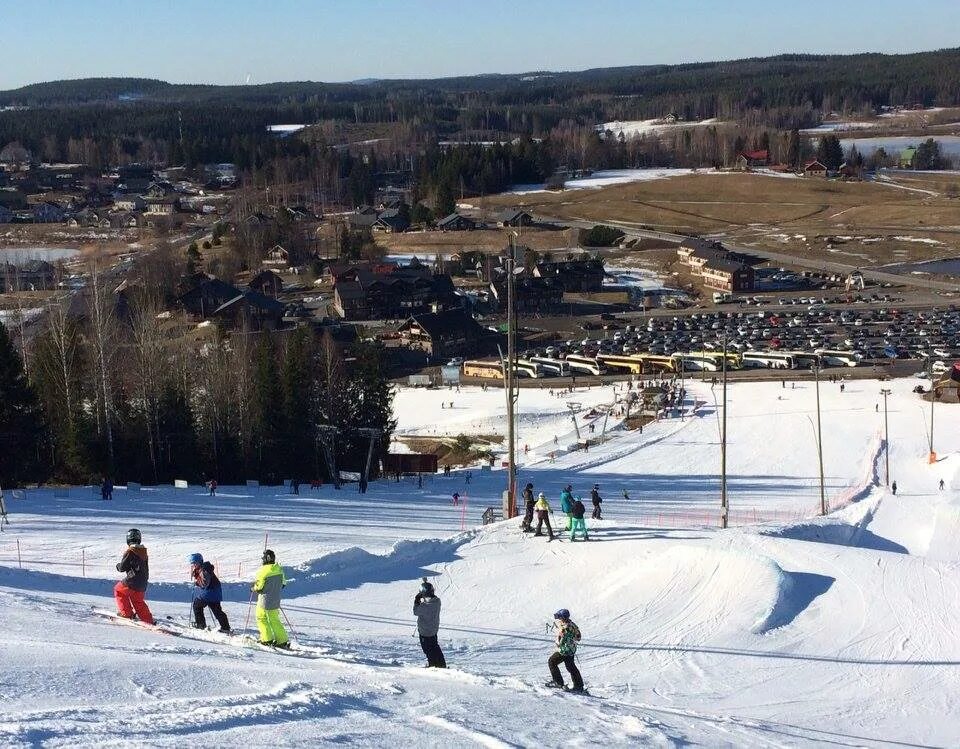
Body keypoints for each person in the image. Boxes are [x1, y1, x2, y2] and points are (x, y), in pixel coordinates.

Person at [114, 528, 153, 624]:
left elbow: (122, 567)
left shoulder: (131, 551)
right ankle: (148, 620)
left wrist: (118, 566)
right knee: (138, 601)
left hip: (132, 581)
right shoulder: (143, 552)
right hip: (143, 582)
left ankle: (126, 613)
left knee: (119, 590)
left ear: (128, 540)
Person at [251, 549, 289, 648]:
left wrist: (253, 588)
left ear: (267, 558)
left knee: (261, 618)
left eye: (263, 558)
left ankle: (267, 639)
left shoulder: (263, 571)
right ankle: (282, 640)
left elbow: (259, 587)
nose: (262, 560)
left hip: (264, 600)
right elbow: (283, 583)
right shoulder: (279, 569)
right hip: (276, 599)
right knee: (274, 620)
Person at [188, 553, 230, 632]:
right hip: (215, 592)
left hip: (210, 592)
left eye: (194, 563)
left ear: (199, 562)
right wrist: (197, 575)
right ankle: (225, 627)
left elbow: (204, 583)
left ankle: (201, 625)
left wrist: (197, 582)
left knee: (197, 604)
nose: (193, 565)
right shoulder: (204, 568)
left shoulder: (204, 570)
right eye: (192, 564)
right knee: (216, 610)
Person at [546, 609, 584, 692]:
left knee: (552, 662)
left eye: (560, 617)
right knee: (571, 667)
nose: (559, 619)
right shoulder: (573, 624)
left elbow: (560, 641)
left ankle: (558, 682)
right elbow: (579, 637)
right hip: (571, 650)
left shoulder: (565, 628)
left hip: (564, 650)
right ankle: (579, 686)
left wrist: (558, 642)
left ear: (563, 618)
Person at [413, 580, 446, 668]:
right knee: (435, 647)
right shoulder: (437, 602)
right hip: (433, 630)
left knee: (428, 649)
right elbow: (431, 598)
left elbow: (415, 611)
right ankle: (441, 664)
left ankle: (433, 665)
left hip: (425, 632)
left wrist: (417, 600)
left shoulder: (425, 606)